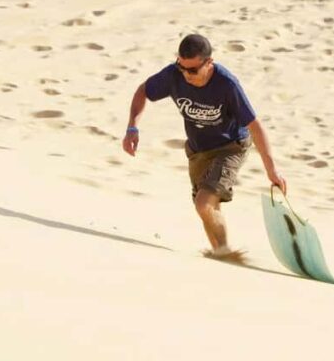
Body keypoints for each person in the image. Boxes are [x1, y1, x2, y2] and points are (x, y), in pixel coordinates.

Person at [122, 34, 287, 261]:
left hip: (231, 147)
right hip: (198, 151)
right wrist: (132, 127)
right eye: (182, 68)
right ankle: (223, 255)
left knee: (203, 202)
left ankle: (225, 254)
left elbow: (255, 125)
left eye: (192, 70)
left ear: (209, 63)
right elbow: (143, 91)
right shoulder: (174, 75)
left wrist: (271, 170)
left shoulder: (227, 84)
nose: (186, 75)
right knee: (207, 207)